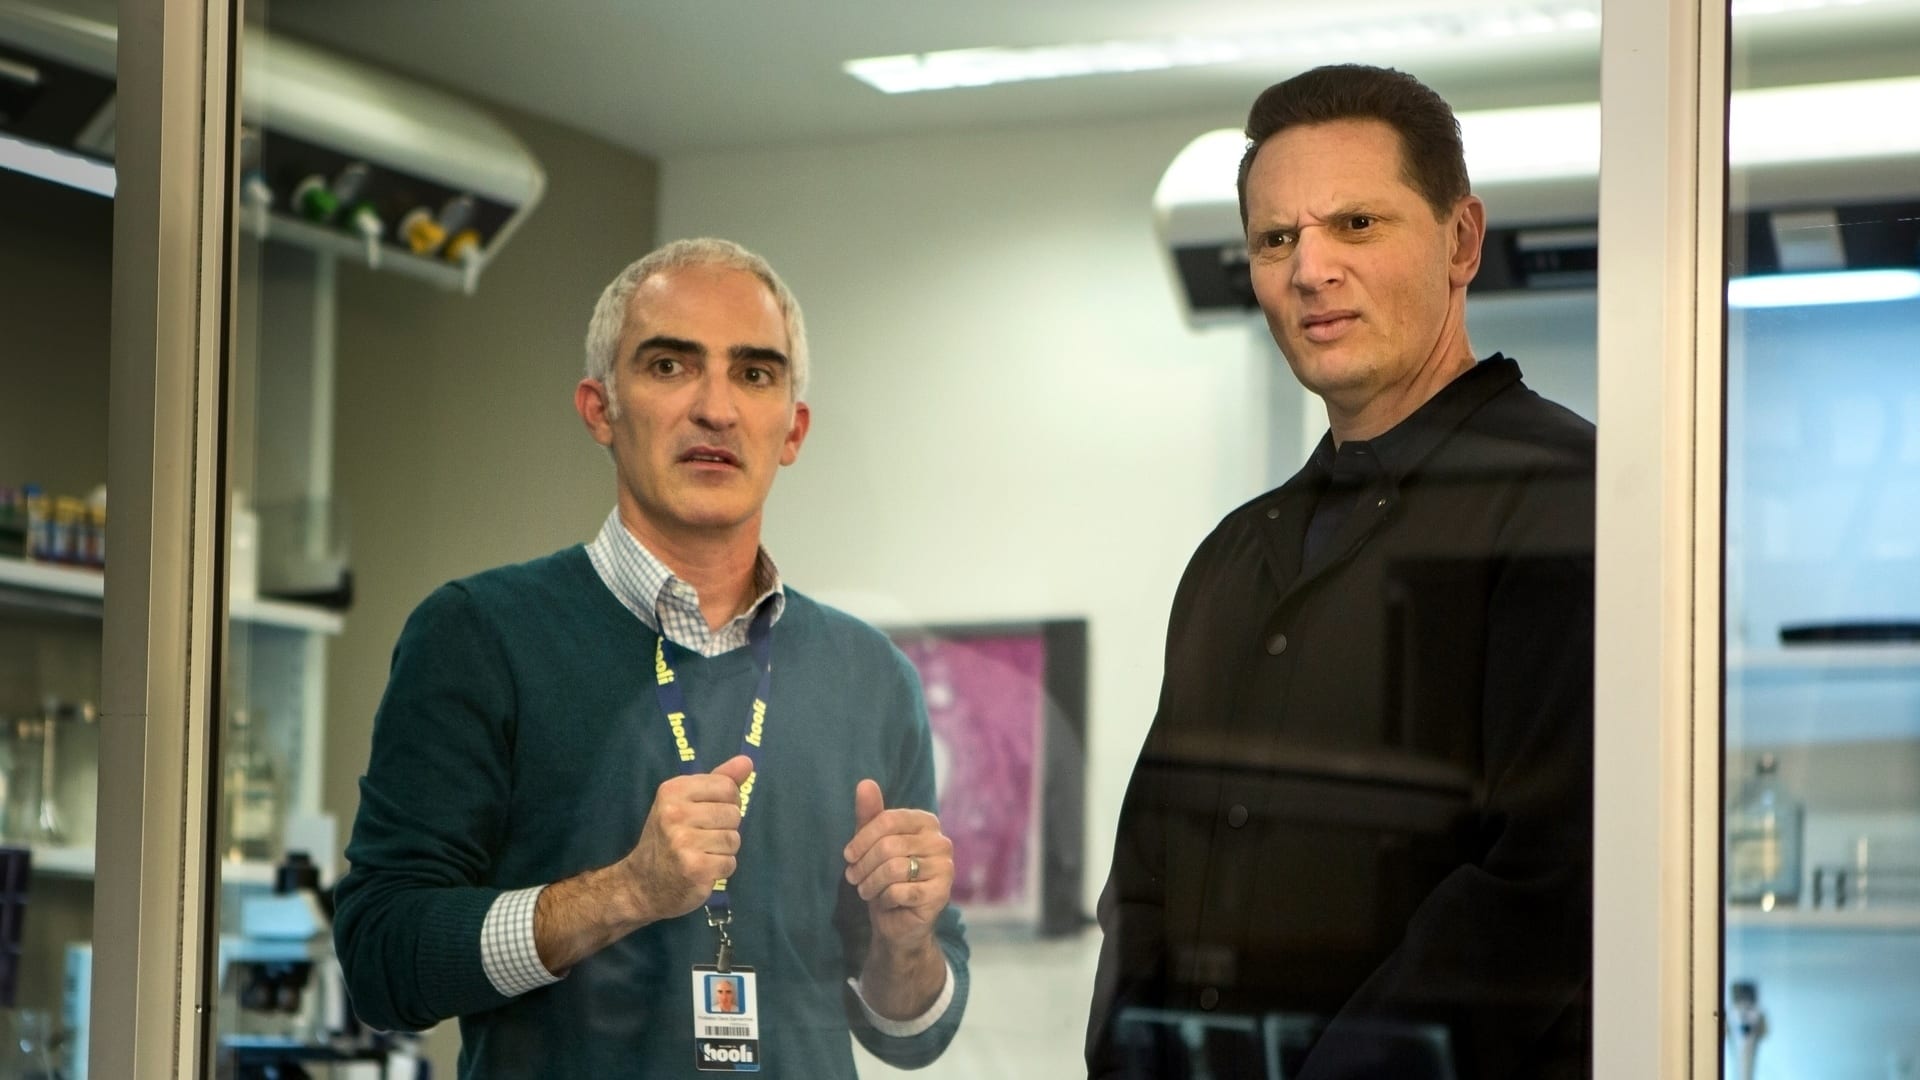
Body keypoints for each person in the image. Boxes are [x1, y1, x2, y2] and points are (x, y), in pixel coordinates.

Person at [334, 238, 969, 1078]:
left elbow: (912, 1032)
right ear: (600, 409)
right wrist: (624, 893)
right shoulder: (478, 635)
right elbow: (381, 961)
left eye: (755, 373)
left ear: (792, 429)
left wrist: (906, 941)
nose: (717, 409)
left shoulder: (872, 676)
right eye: (671, 366)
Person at [1086, 64, 1594, 1080]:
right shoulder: (1234, 558)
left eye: (1356, 224)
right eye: (1277, 239)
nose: (1311, 270)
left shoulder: (1566, 498)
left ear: (1462, 241)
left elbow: (1541, 888)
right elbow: (1147, 882)